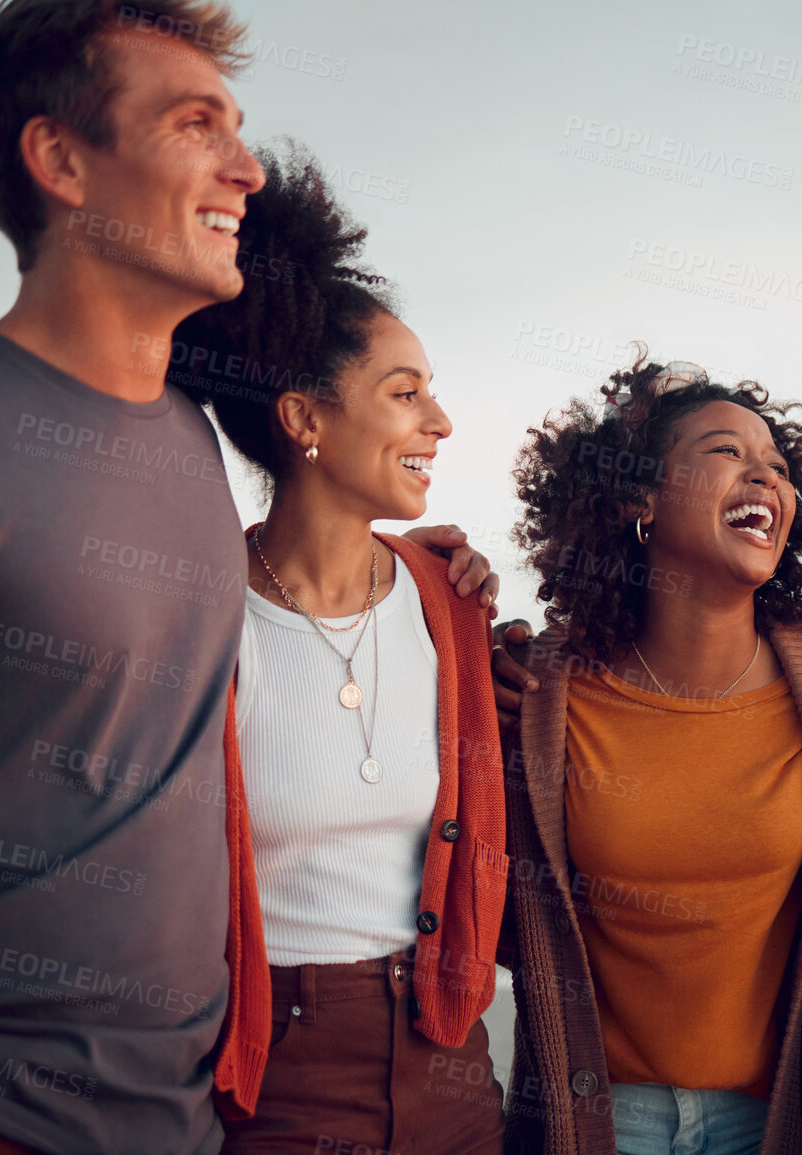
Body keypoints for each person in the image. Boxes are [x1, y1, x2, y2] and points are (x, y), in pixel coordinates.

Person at [0, 6, 492, 1154]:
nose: (248, 165)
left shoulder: (187, 448)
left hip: (185, 1114)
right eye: (195, 124)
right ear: (62, 160)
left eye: (239, 126)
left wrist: (411, 562)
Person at [171, 143, 509, 1154]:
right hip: (272, 1070)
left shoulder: (451, 600)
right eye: (405, 393)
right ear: (305, 418)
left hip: (452, 1054)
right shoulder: (198, 616)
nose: (440, 421)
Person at [499, 356, 802, 1155]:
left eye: (778, 466)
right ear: (639, 498)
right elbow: (482, 892)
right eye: (726, 452)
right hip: (599, 1116)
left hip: (767, 1116)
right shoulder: (540, 690)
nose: (765, 479)